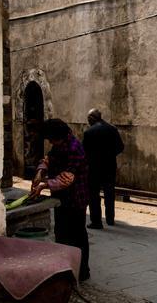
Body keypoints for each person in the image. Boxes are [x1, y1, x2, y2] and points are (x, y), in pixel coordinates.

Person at [30, 118, 90, 281]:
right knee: (61, 233)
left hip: (76, 198)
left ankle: (82, 271)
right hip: (61, 197)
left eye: (51, 138)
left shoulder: (74, 148)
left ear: (59, 136)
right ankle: (64, 270)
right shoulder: (59, 145)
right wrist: (40, 171)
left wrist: (43, 185)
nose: (50, 141)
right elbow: (48, 159)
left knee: (77, 236)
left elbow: (67, 178)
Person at [83, 108, 124, 229]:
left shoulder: (89, 132)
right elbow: (120, 147)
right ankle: (110, 219)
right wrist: (110, 155)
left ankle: (96, 221)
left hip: (94, 168)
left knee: (93, 195)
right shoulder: (112, 129)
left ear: (91, 118)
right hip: (110, 165)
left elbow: (84, 152)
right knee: (109, 192)